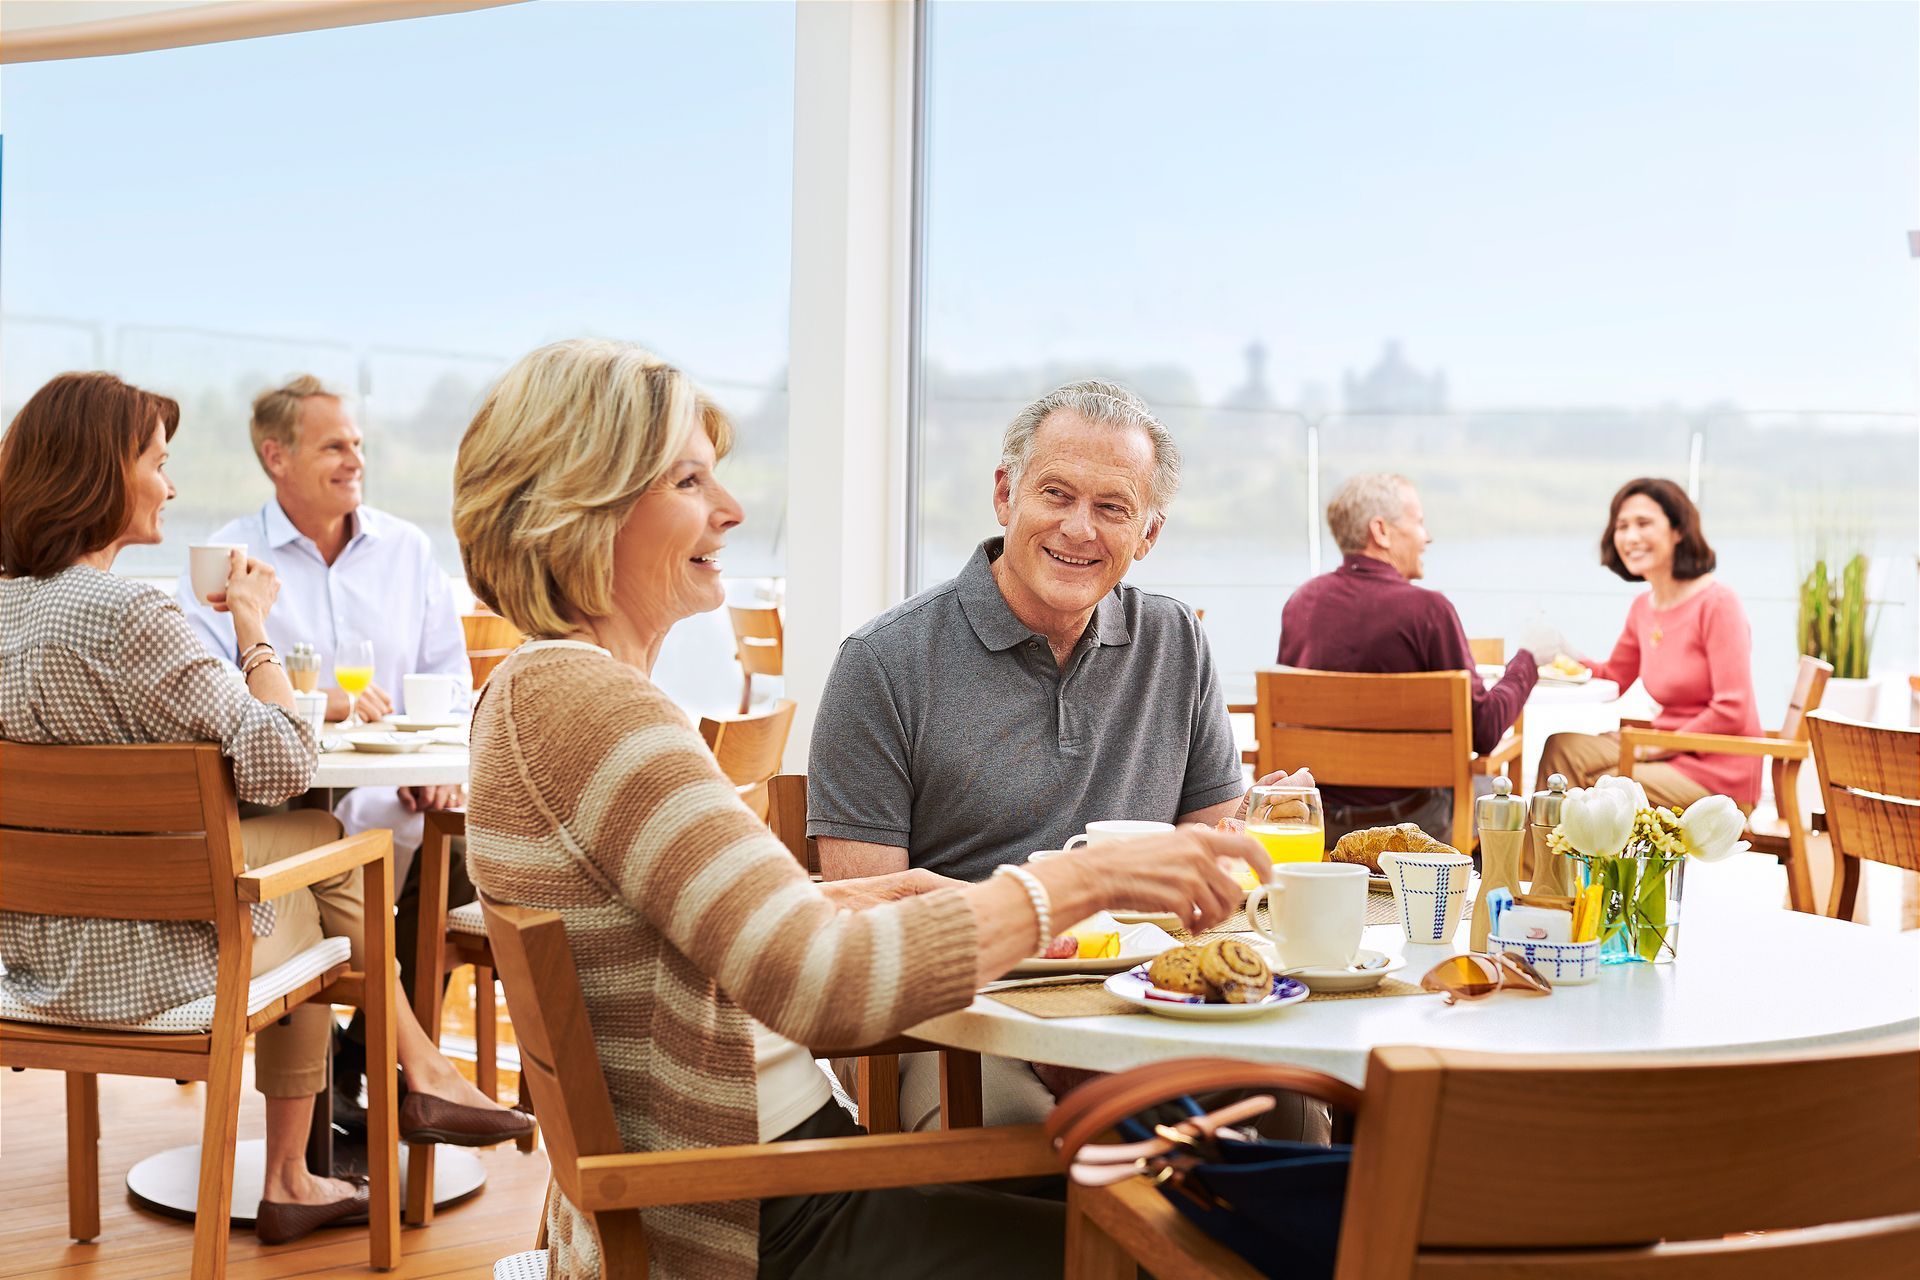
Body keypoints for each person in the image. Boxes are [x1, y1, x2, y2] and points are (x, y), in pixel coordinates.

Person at [452, 339, 1263, 1280]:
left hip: (795, 1180)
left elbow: (712, 937)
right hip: (772, 1225)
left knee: (1189, 1204)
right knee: (1188, 1252)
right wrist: (1083, 879)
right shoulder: (584, 705)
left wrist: (841, 904)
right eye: (688, 481)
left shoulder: (554, 696)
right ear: (584, 506)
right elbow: (823, 989)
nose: (732, 509)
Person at [0, 373, 531, 1246]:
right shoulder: (128, 614)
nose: (171, 487)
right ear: (100, 473)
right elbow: (282, 761)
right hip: (155, 968)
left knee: (313, 855)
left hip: (40, 958)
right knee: (325, 848)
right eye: (158, 466)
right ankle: (394, 1092)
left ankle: (314, 1160)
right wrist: (253, 627)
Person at [804, 379, 1276, 1131]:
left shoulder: (1175, 641)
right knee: (1033, 1135)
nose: (1079, 529)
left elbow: (1216, 869)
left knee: (1292, 1105)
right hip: (961, 1025)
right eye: (1056, 493)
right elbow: (869, 939)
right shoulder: (882, 663)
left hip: (1148, 1003)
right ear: (1004, 494)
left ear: (1147, 535)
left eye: (1112, 507)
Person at [176, 375, 472, 1123]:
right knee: (324, 857)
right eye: (333, 445)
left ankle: (354, 1070)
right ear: (276, 457)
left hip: (388, 795)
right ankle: (366, 1083)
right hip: (271, 800)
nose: (354, 460)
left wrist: (436, 771)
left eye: (358, 444)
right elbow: (218, 700)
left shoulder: (407, 550)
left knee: (449, 856)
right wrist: (328, 702)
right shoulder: (232, 568)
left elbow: (448, 681)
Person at [1277, 473, 1536, 844]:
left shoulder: (1301, 603)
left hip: (1321, 820)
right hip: (1413, 824)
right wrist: (1527, 661)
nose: (1426, 536)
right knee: (1492, 787)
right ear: (1380, 531)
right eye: (1418, 522)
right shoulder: (1429, 611)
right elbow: (1485, 731)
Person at [1536, 477, 1761, 810]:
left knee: (1596, 791)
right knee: (1561, 749)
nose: (1630, 537)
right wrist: (1562, 655)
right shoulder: (1644, 607)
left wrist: (1656, 747)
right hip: (1660, 747)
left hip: (1716, 773)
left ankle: (1561, 863)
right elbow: (1614, 675)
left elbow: (1733, 709)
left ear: (1678, 530)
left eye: (1644, 523)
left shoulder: (1717, 603)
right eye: (1622, 526)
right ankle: (1534, 866)